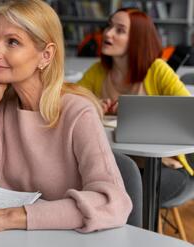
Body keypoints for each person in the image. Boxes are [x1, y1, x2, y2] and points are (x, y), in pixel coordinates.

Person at [0, 0, 131, 234]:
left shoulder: (78, 112)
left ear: (46, 55)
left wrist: (7, 217)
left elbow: (112, 204)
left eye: (12, 41)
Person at [76, 8, 192, 204]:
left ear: (138, 39)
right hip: (113, 163)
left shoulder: (157, 69)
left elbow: (188, 111)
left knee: (123, 191)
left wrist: (137, 112)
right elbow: (71, 102)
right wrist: (93, 105)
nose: (108, 33)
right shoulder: (97, 71)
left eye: (119, 30)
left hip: (163, 168)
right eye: (109, 26)